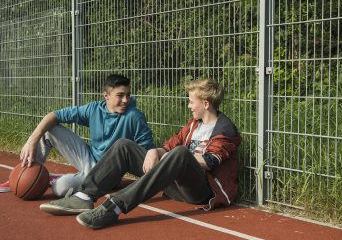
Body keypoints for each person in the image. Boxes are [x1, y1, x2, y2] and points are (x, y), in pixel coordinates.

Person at [39, 78, 241, 229]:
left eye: (191, 102)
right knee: (124, 145)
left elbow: (209, 161)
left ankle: (116, 206)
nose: (189, 106)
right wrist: (154, 151)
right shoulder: (193, 124)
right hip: (174, 183)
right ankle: (84, 195)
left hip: (200, 190)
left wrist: (173, 156)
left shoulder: (224, 129)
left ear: (205, 104)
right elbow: (171, 145)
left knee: (180, 154)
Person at [0, 74, 154, 197]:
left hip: (108, 169)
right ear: (106, 96)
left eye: (128, 95)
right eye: (120, 95)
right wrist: (31, 141)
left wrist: (123, 176)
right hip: (88, 159)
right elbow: (54, 115)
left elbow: (145, 152)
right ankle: (25, 173)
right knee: (49, 129)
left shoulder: (134, 116)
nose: (126, 100)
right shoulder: (94, 109)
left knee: (59, 189)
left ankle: (57, 180)